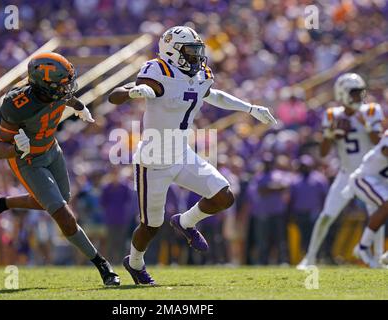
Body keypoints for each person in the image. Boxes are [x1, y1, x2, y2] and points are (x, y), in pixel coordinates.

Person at [108, 26, 276, 284]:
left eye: (198, 50)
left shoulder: (200, 74)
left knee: (224, 196)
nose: (197, 56)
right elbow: (115, 96)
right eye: (190, 50)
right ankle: (135, 262)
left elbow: (212, 95)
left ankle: (185, 222)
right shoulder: (158, 70)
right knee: (151, 225)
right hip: (153, 159)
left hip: (181, 152)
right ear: (172, 51)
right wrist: (133, 92)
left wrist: (249, 108)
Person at [0, 52, 119, 285]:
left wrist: (78, 105)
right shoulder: (18, 104)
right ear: (44, 86)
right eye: (63, 84)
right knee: (64, 216)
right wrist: (15, 147)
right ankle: (103, 266)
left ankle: (2, 203)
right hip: (28, 160)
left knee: (58, 200)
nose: (68, 88)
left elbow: (66, 96)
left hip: (52, 150)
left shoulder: (54, 89)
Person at [297, 73, 385, 269]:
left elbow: (379, 144)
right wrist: (330, 133)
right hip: (346, 174)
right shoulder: (332, 115)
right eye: (354, 92)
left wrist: (367, 124)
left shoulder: (371, 110)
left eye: (360, 92)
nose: (359, 97)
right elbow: (323, 151)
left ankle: (377, 257)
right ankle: (309, 258)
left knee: (377, 213)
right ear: (343, 93)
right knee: (326, 216)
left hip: (369, 174)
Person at [342, 130, 388, 267]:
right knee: (387, 205)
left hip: (379, 182)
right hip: (363, 178)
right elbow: (386, 151)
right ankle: (363, 248)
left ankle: (366, 249)